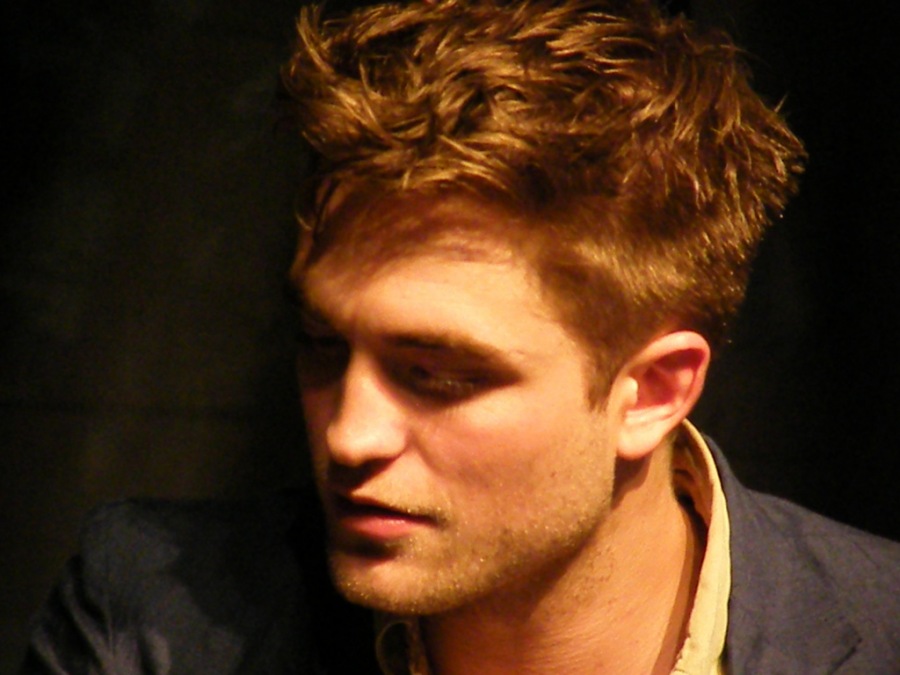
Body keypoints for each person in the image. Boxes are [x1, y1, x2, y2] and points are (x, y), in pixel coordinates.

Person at [20, 0, 900, 672]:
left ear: (654, 392)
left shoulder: (881, 628)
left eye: (436, 374)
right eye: (323, 343)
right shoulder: (149, 613)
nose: (348, 434)